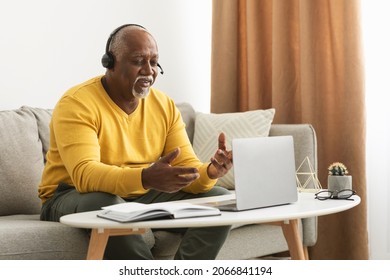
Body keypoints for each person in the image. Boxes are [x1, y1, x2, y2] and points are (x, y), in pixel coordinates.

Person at [38, 24, 233, 260]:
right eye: (138, 61)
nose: (149, 71)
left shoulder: (164, 106)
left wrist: (211, 170)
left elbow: (186, 170)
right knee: (105, 202)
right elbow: (85, 175)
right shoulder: (78, 103)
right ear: (110, 62)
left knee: (218, 198)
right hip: (71, 195)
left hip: (139, 191)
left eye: (154, 62)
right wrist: (145, 177)